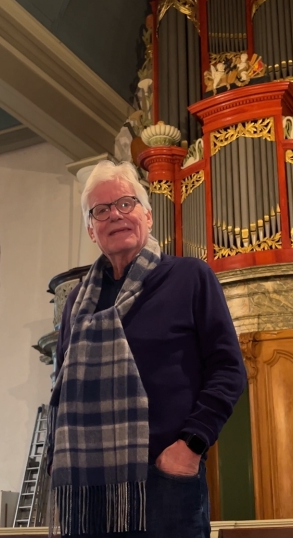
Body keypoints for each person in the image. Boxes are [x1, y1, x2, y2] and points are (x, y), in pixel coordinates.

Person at [47, 161, 246, 537]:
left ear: (148, 215)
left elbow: (228, 370)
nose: (115, 216)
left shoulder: (189, 277)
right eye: (101, 210)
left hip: (164, 480)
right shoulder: (76, 301)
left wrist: (190, 446)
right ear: (92, 229)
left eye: (126, 203)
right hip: (85, 488)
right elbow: (62, 384)